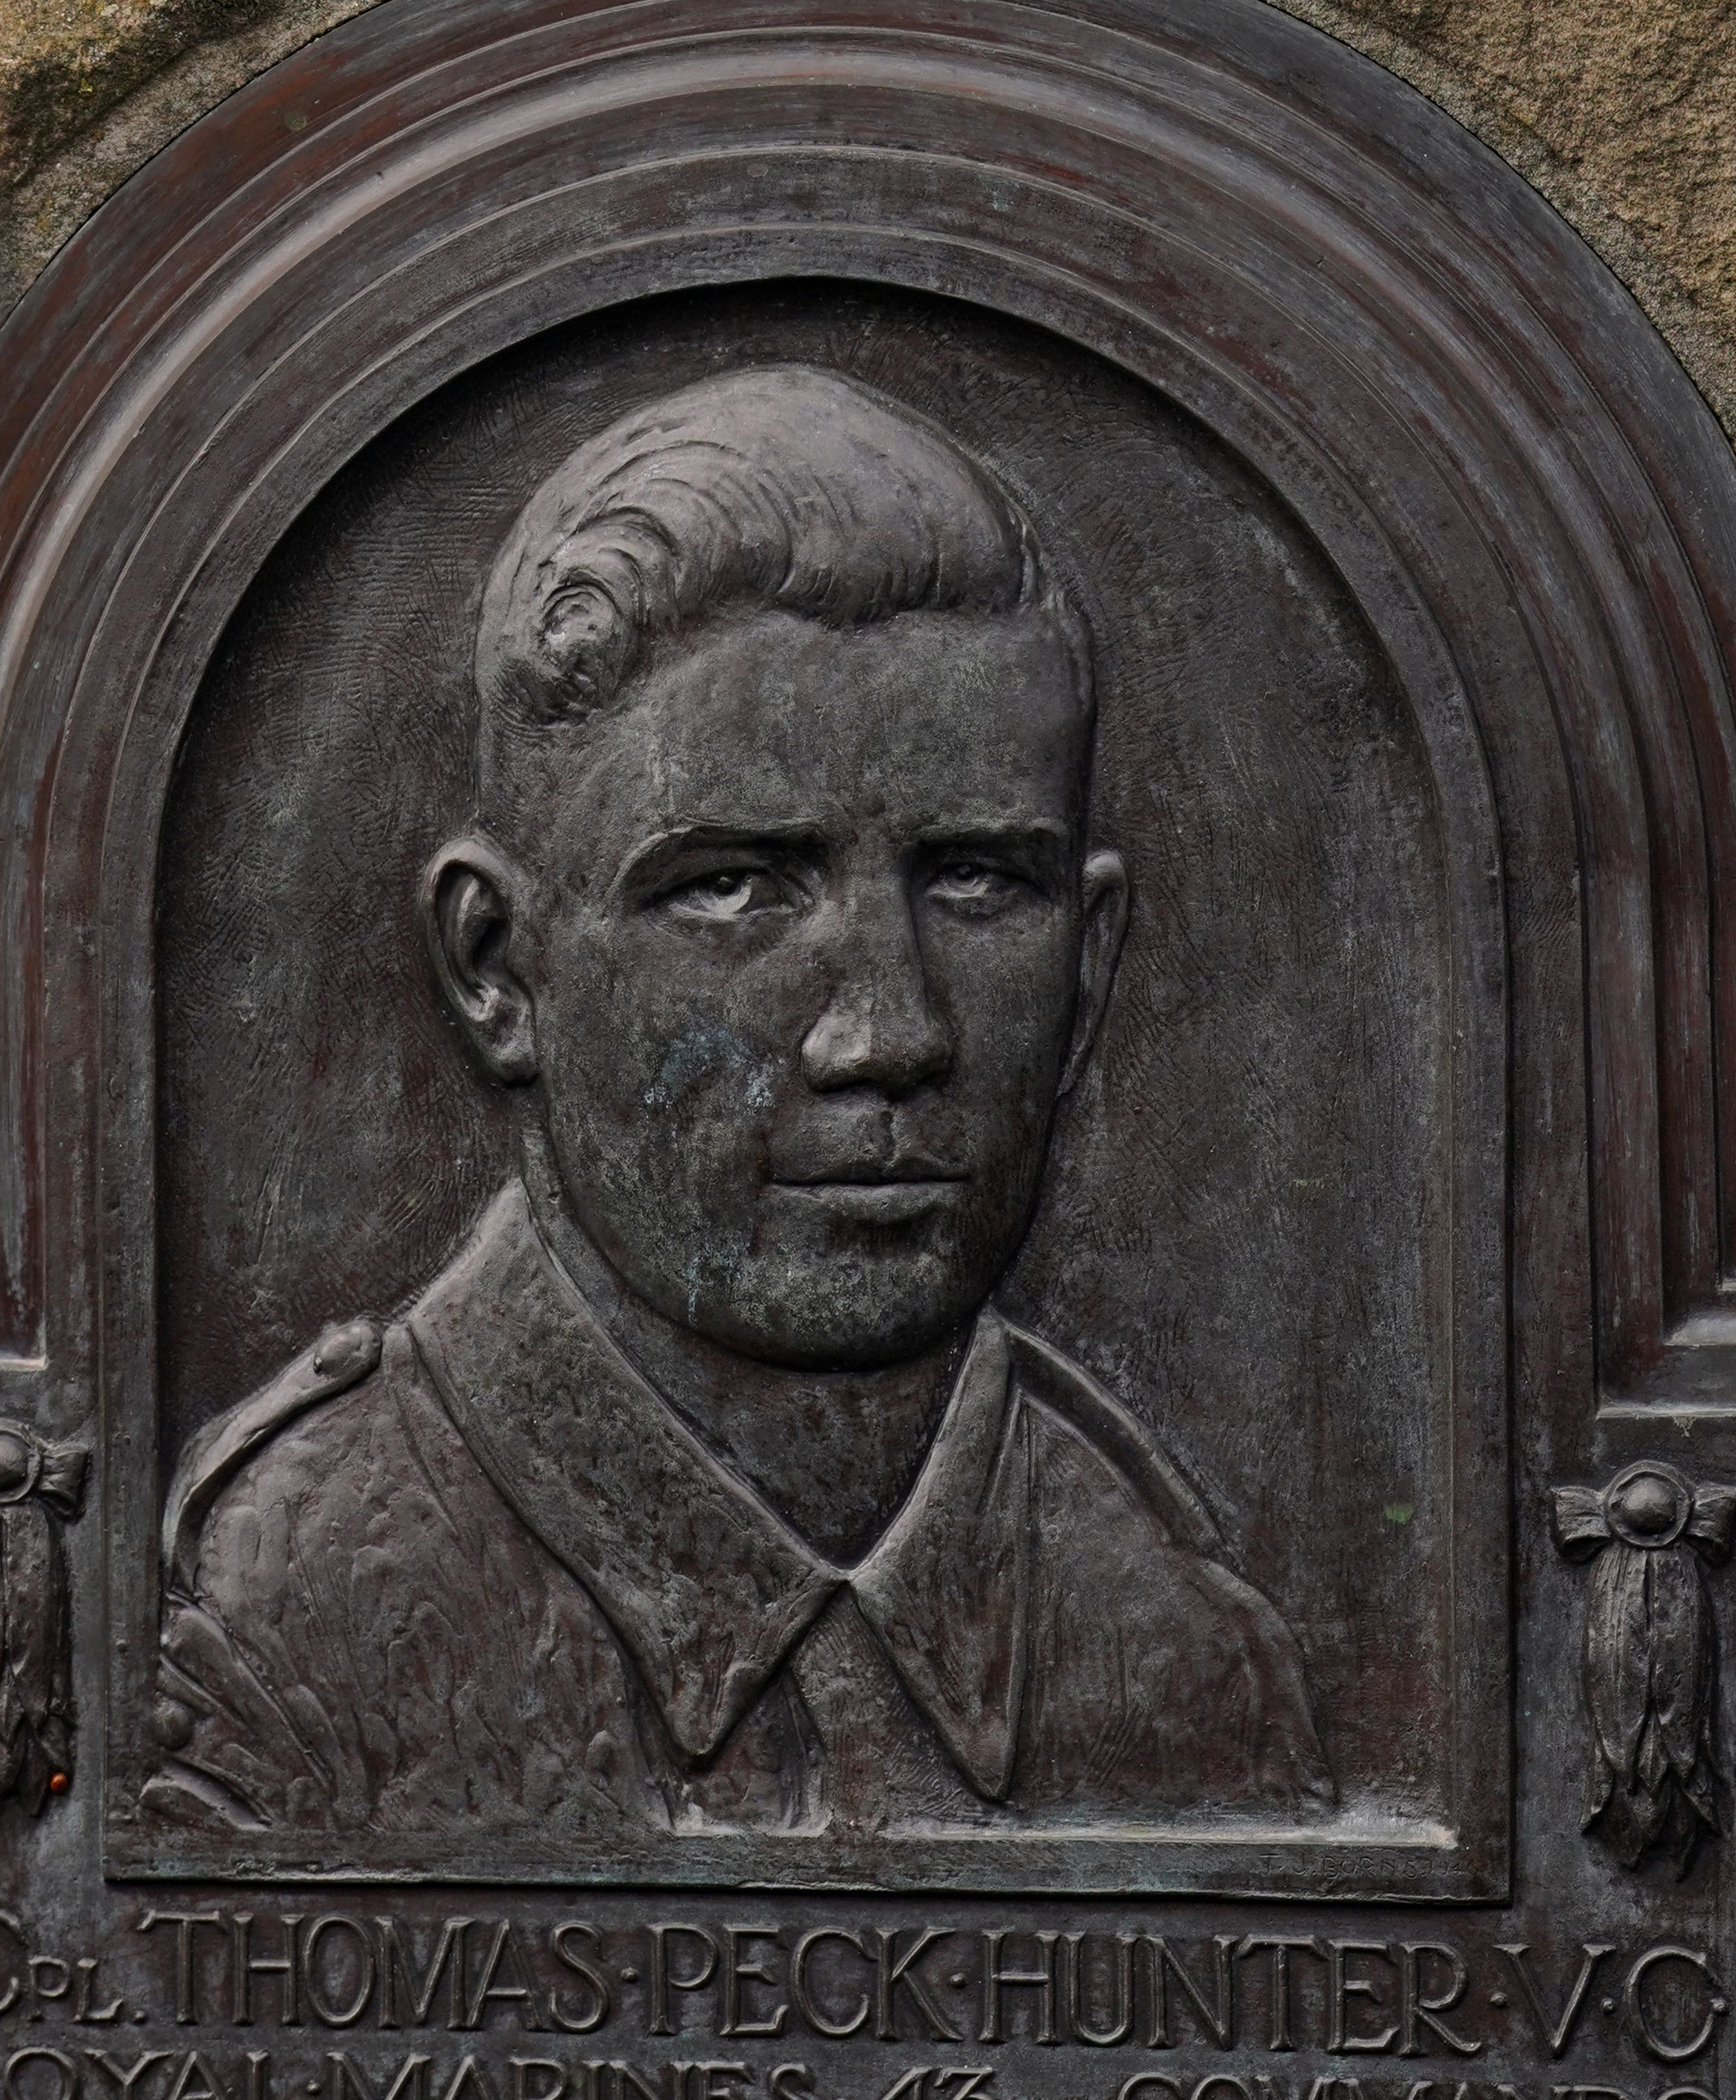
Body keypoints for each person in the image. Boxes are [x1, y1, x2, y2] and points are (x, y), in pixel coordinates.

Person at [143, 366, 1329, 1842]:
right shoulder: (255, 1641)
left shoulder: (1183, 1643)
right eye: (730, 887)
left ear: (1088, 974)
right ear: (495, 965)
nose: (885, 1030)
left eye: (975, 882)